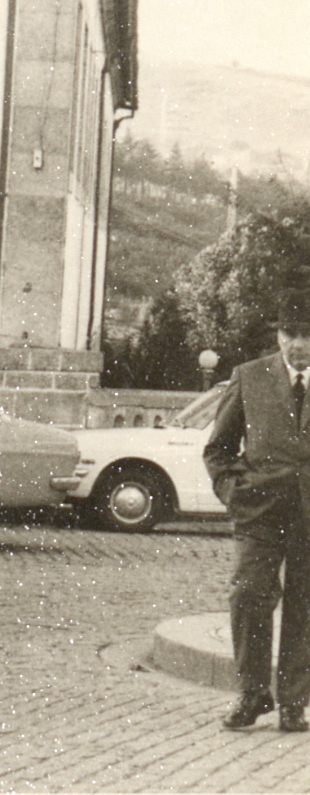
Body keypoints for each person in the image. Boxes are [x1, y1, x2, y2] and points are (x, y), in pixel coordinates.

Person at [204, 289, 310, 731]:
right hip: (259, 512)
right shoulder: (249, 376)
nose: (299, 343)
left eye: (308, 334)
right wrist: (235, 492)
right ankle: (252, 694)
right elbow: (218, 449)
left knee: (305, 605)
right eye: (291, 333)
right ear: (279, 334)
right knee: (247, 596)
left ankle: (293, 701)